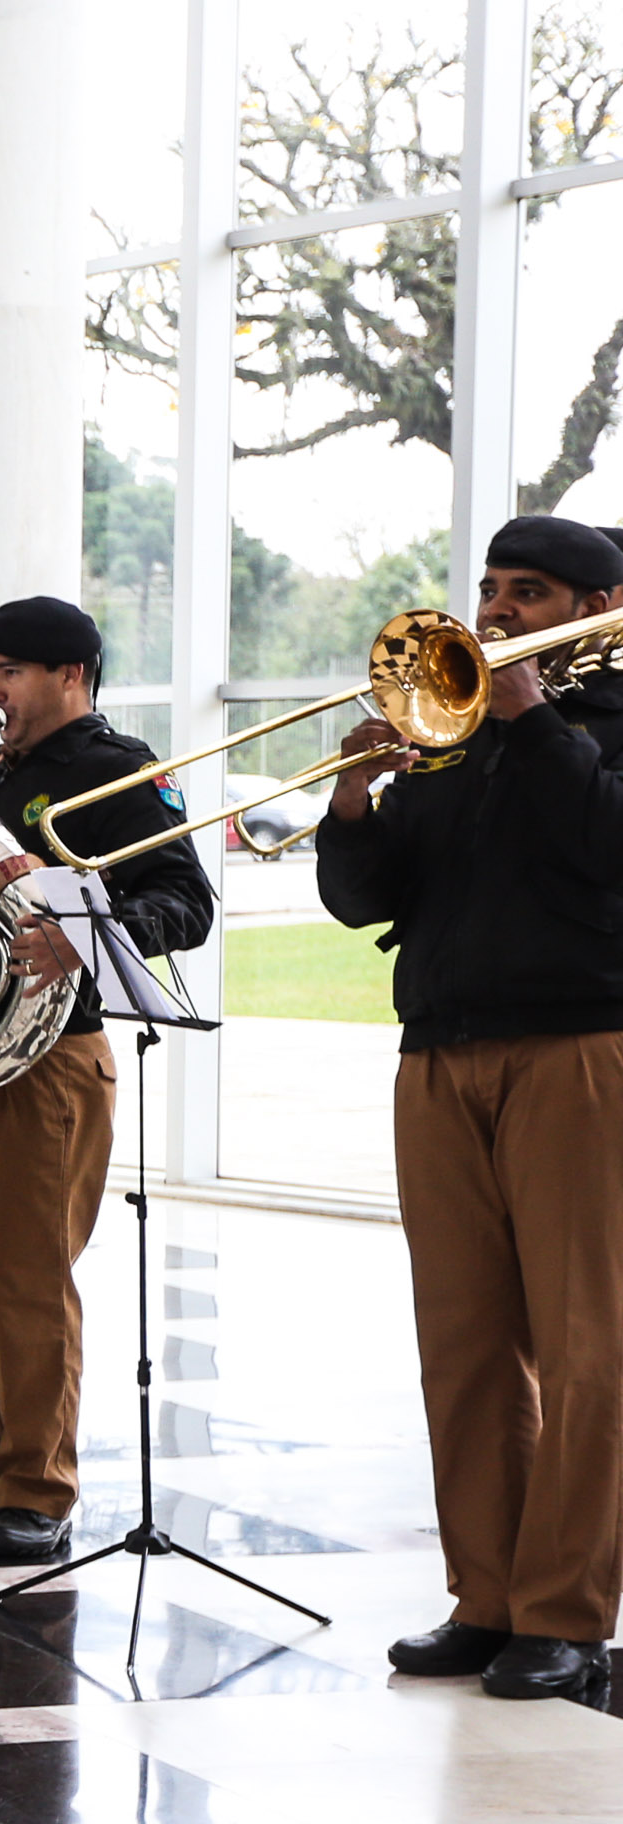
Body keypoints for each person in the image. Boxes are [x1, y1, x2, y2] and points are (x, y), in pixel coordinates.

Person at [319, 513, 623, 1701]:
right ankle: (486, 1600)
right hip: (440, 1057)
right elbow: (367, 899)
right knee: (463, 1346)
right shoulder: (448, 735)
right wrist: (354, 799)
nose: (493, 611)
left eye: (527, 592)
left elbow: (605, 846)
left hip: (581, 1052)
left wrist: (532, 717)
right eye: (491, 588)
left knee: (588, 1350)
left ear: (598, 607)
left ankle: (567, 1614)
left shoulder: (587, 726)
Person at [0, 596, 213, 1563]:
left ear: (71, 675)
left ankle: (38, 1491)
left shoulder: (120, 771)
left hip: (49, 1056)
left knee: (26, 1280)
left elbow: (186, 902)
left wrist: (87, 936)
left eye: (10, 673)